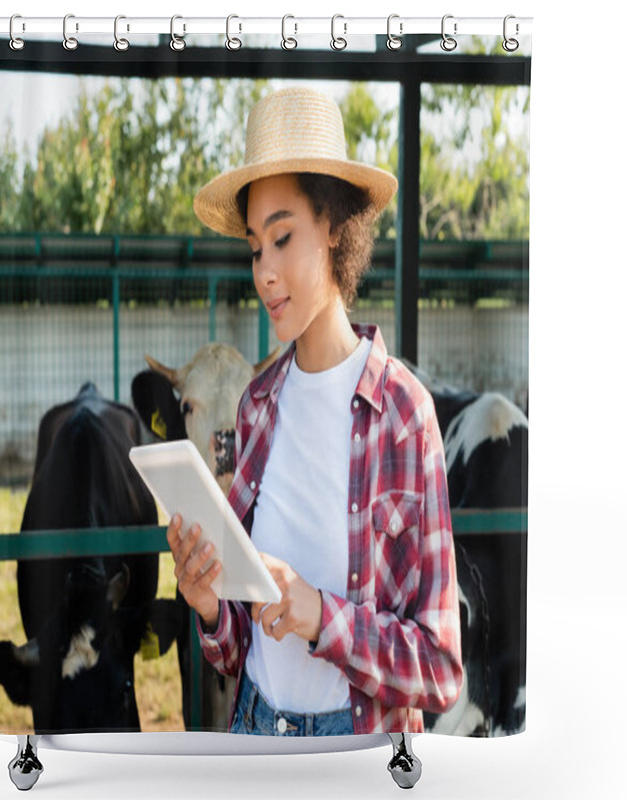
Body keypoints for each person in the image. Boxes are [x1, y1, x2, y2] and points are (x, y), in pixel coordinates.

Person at [166, 86, 462, 736]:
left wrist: (320, 617)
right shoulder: (258, 407)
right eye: (253, 248)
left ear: (333, 227)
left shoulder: (404, 414)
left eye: (282, 238)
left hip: (356, 754)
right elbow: (240, 648)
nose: (265, 272)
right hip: (254, 732)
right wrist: (212, 605)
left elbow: (440, 669)